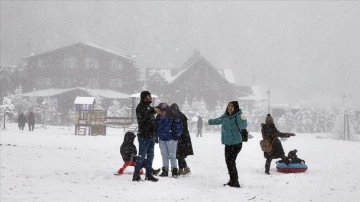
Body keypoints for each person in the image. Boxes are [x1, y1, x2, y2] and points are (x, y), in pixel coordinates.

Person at [208, 101, 248, 188]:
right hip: (228, 143)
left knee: (231, 162)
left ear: (235, 108)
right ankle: (232, 180)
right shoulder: (225, 116)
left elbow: (243, 126)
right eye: (229, 105)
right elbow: (218, 120)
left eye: (232, 106)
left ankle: (235, 182)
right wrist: (208, 122)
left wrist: (243, 119)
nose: (230, 107)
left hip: (236, 143)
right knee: (228, 162)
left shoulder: (238, 115)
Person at [132, 91, 160, 182]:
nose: (151, 97)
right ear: (144, 97)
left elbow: (151, 111)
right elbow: (145, 115)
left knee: (151, 156)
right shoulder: (140, 107)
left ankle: (148, 175)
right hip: (144, 135)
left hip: (151, 136)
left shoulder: (148, 107)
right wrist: (153, 110)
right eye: (149, 96)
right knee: (141, 156)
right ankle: (136, 175)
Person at [155, 102, 183, 178]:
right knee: (164, 155)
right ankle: (165, 170)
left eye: (160, 110)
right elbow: (156, 127)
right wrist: (156, 136)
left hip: (171, 139)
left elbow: (179, 127)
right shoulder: (158, 117)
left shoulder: (173, 115)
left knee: (172, 155)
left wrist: (175, 137)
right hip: (162, 139)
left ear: (165, 110)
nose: (159, 112)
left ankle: (174, 170)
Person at [170, 103, 194, 175]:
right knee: (180, 154)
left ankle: (182, 169)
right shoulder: (181, 115)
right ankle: (185, 168)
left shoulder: (177, 116)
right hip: (184, 137)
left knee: (179, 153)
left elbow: (179, 127)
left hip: (181, 137)